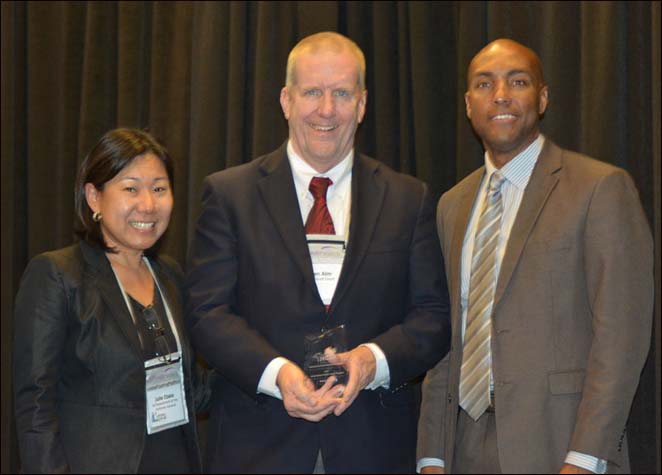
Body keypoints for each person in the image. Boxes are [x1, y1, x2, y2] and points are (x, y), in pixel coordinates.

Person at [186, 31, 451, 473]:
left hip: (374, 448)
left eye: (342, 93)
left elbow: (433, 317)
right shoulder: (230, 194)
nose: (326, 110)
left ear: (362, 104)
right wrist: (277, 374)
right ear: (286, 101)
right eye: (312, 92)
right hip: (259, 447)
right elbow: (207, 313)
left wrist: (374, 361)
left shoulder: (409, 199)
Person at [417, 39, 654, 474]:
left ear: (542, 98)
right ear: (469, 105)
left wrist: (585, 458)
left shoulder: (599, 189)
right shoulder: (452, 205)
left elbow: (622, 337)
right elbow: (445, 339)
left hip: (559, 446)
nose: (501, 95)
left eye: (518, 81)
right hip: (463, 448)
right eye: (485, 84)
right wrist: (431, 455)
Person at [14, 128, 205, 473]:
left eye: (159, 189)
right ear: (94, 197)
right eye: (130, 188)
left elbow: (193, 386)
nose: (148, 204)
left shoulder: (170, 275)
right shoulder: (58, 274)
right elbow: (35, 405)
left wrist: (271, 369)